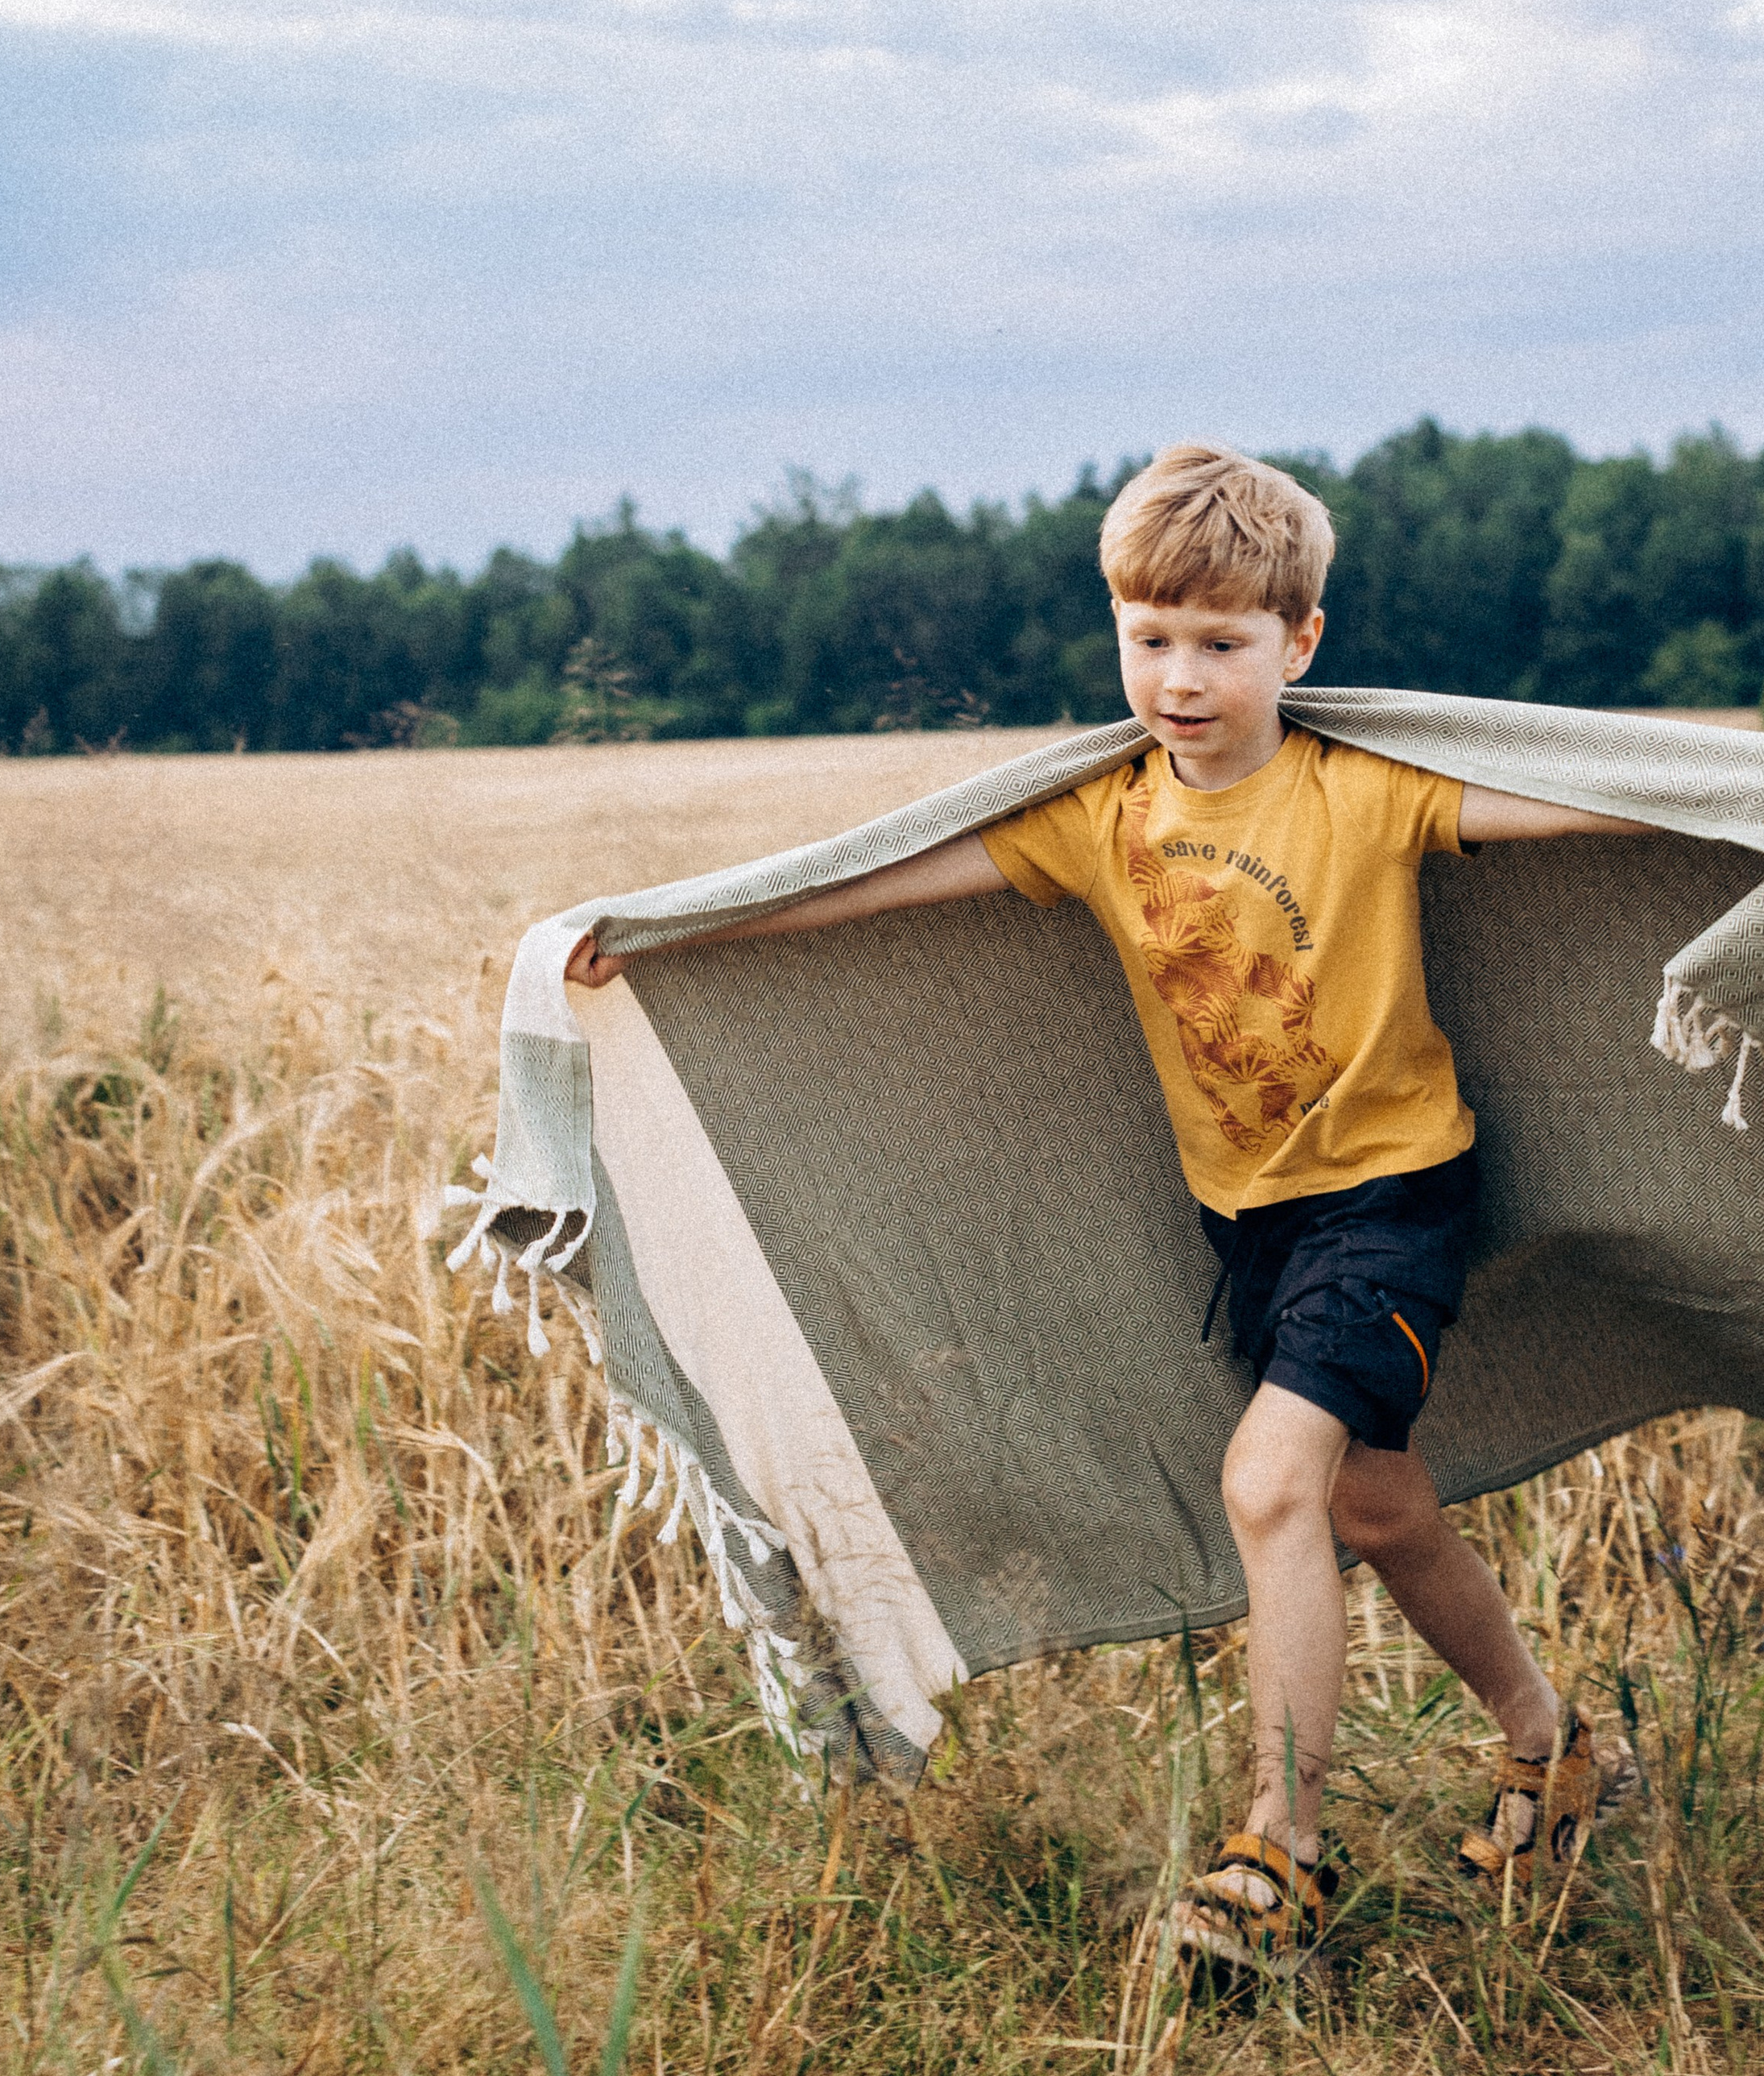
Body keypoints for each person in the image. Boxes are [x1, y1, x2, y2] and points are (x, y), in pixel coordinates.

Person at [567, 443, 1647, 1974]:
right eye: (1152, 639)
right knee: (1376, 1505)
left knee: (1269, 1485)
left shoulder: (1365, 792)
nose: (1182, 679)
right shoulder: (1102, 818)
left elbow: (1590, 802)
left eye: (1223, 643)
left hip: (1393, 1196)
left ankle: (1284, 1850)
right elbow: (883, 879)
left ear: (1300, 645)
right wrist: (684, 932)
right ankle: (1551, 1743)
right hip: (1251, 1224)